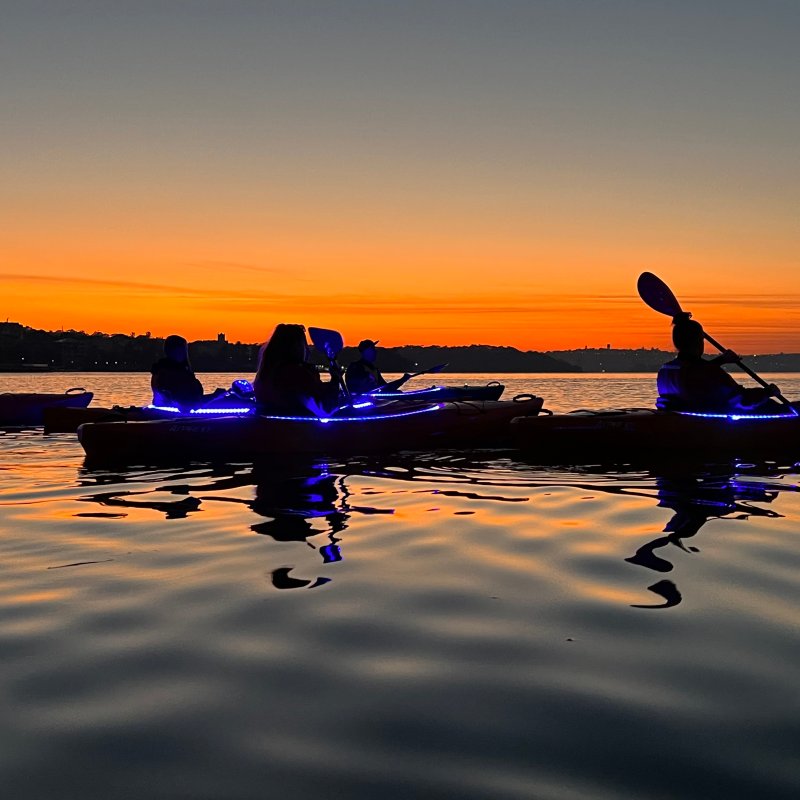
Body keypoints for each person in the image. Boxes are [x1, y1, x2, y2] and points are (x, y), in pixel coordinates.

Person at [656, 315, 779, 413]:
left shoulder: (665, 370)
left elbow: (694, 372)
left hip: (682, 423)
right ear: (699, 341)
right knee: (771, 405)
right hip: (708, 428)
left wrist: (720, 361)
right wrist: (767, 392)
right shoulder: (709, 372)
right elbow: (743, 401)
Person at [253, 323, 341, 415]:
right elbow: (323, 408)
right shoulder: (297, 375)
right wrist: (335, 380)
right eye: (304, 344)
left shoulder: (265, 374)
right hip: (300, 427)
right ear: (297, 347)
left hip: (272, 426)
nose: (307, 349)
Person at [151, 335, 205, 410]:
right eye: (183, 350)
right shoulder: (172, 373)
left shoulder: (159, 369)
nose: (185, 354)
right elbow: (189, 403)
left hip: (162, 409)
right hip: (175, 414)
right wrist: (215, 396)